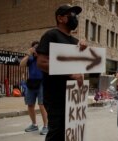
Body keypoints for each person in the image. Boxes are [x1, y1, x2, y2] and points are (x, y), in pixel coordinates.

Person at [35, 4, 87, 141]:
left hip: (73, 95)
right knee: (56, 132)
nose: (75, 18)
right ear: (60, 18)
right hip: (55, 95)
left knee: (71, 133)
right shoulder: (51, 35)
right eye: (72, 15)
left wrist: (85, 52)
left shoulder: (76, 42)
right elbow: (41, 63)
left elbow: (81, 68)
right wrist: (70, 74)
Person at [19, 41, 48, 135]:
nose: (36, 49)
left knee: (42, 105)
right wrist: (29, 54)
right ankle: (34, 125)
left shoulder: (43, 58)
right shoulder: (30, 58)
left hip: (42, 83)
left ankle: (46, 126)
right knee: (30, 104)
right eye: (34, 48)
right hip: (31, 83)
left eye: (37, 47)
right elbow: (21, 64)